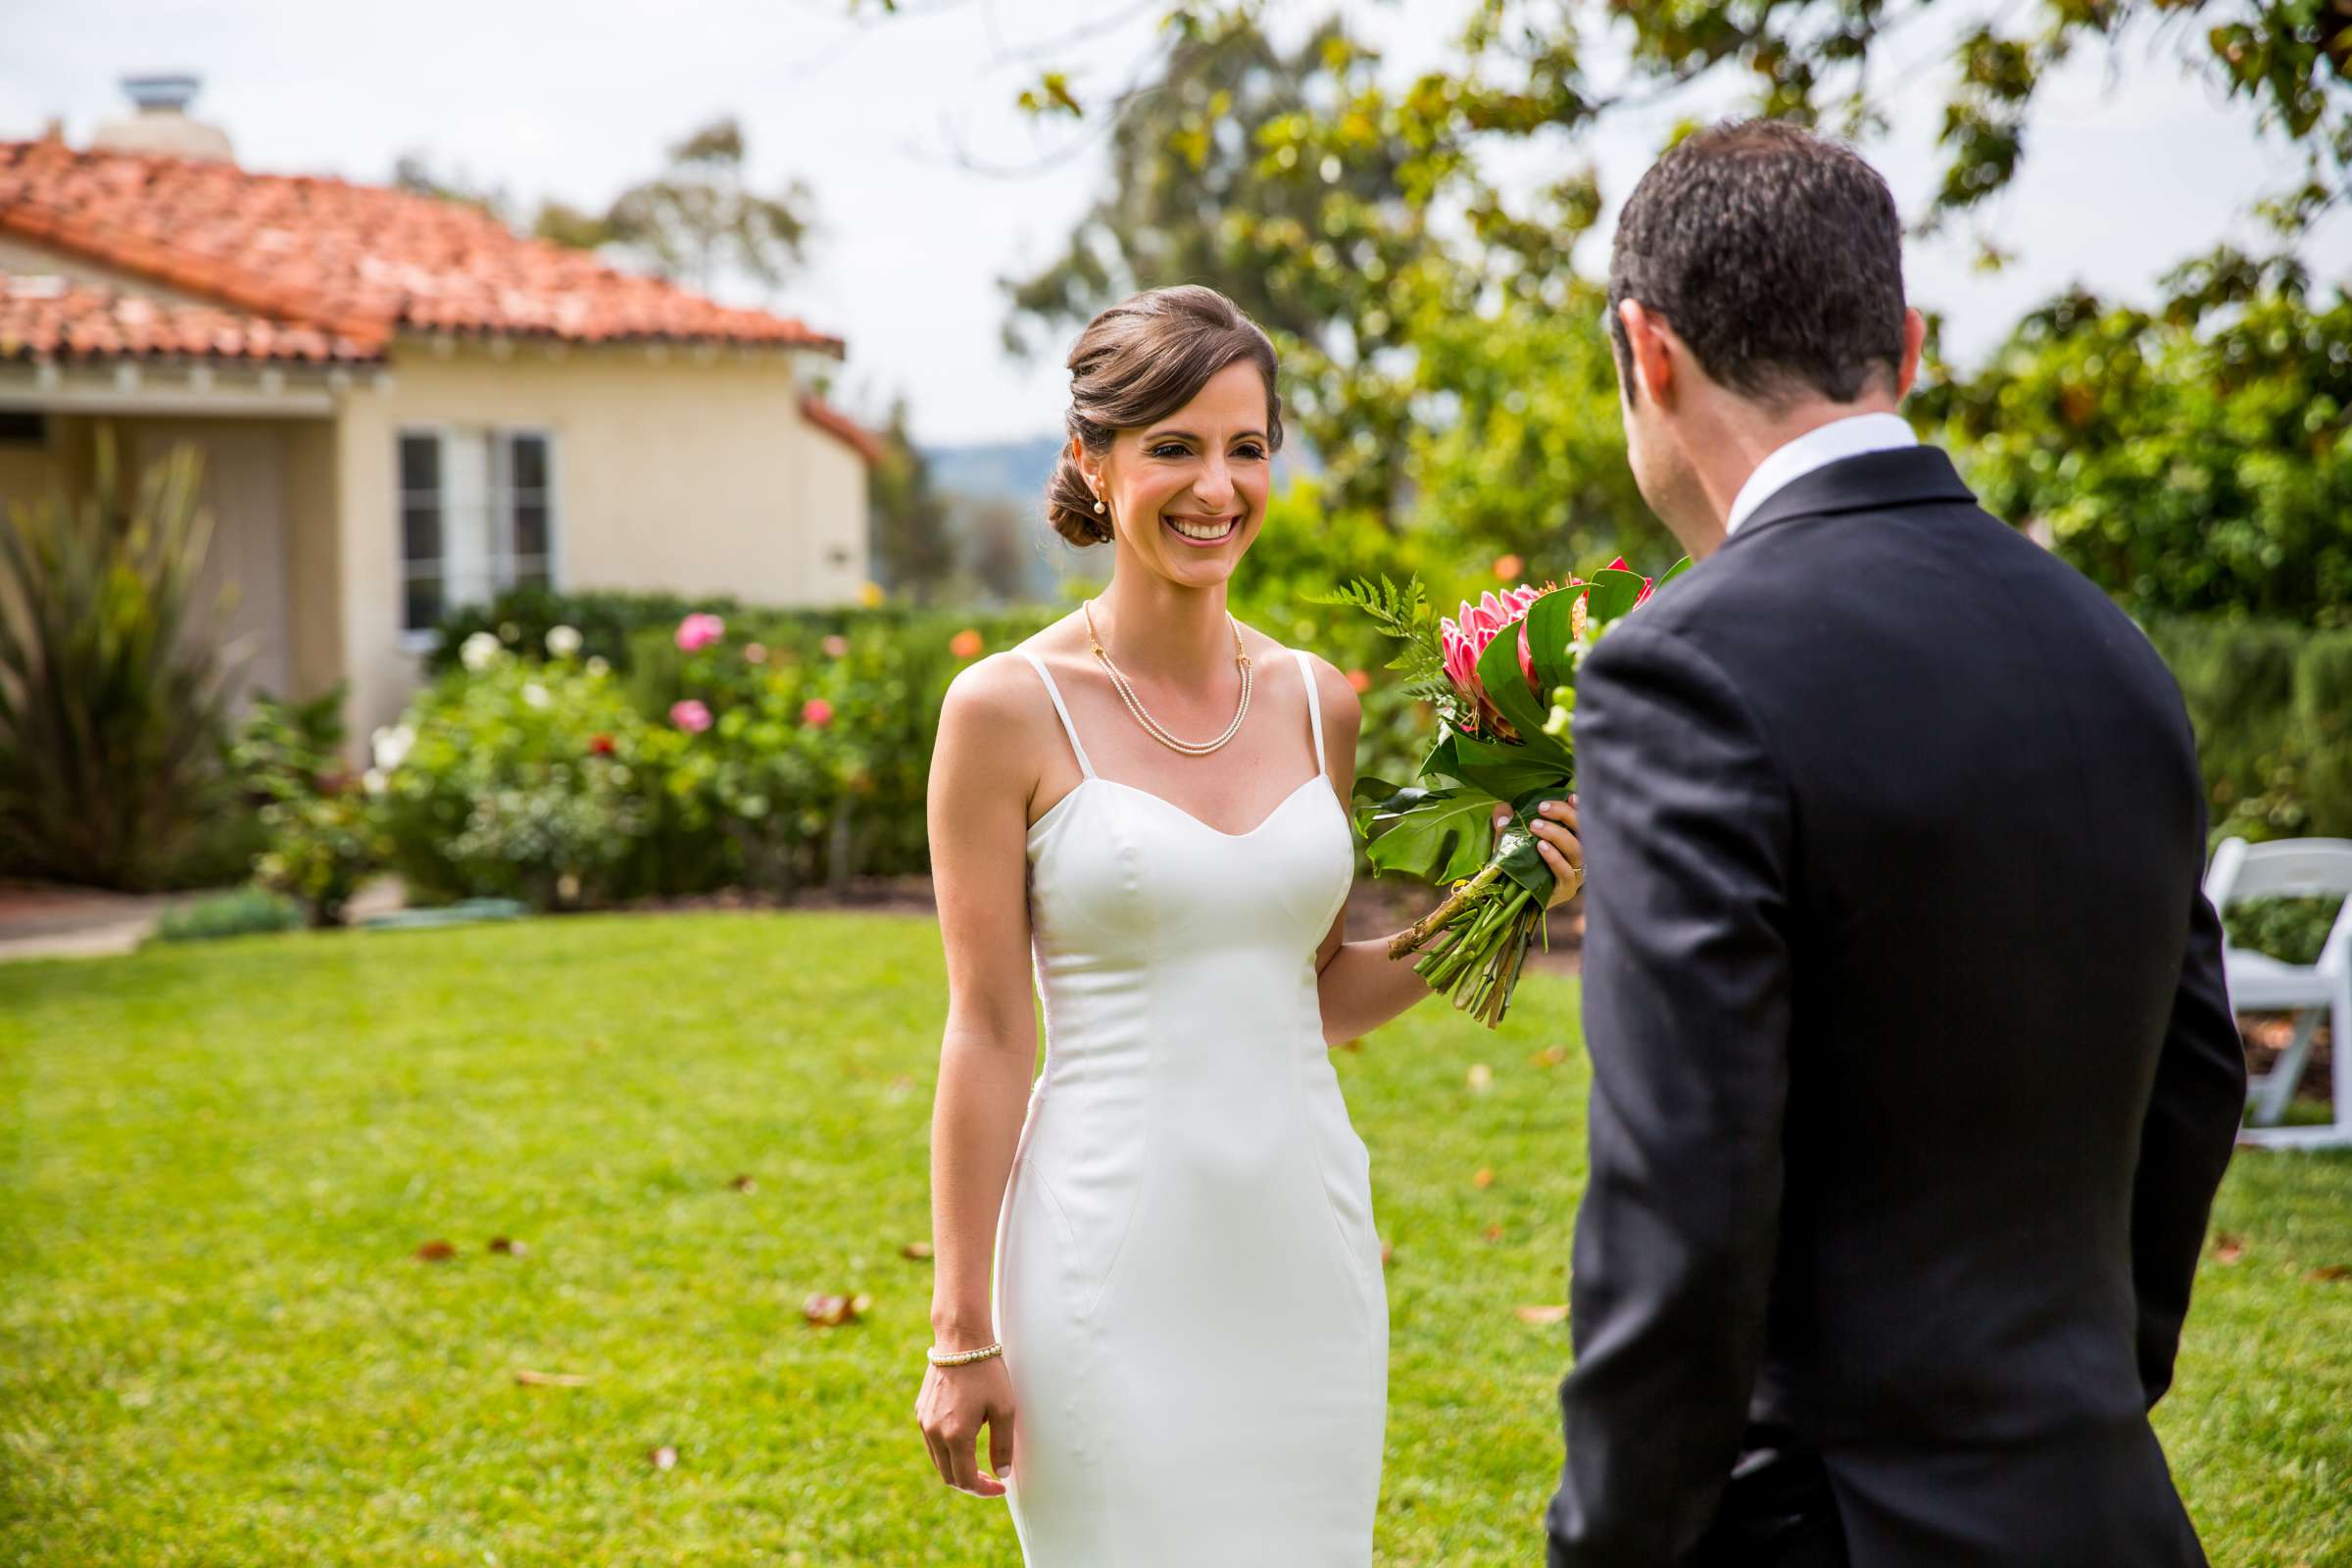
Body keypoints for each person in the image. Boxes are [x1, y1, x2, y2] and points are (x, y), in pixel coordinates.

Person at [1546, 119, 2248, 1567]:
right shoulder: (2106, 646)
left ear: (1647, 353)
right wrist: (2079, 1404)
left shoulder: (1683, 668)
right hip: (2101, 1508)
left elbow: (1680, 1194)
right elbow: (2195, 1078)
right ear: (1906, 346)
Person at [914, 283, 1581, 1565]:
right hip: (1104, 1262)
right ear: (1091, 466)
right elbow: (988, 1035)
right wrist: (962, 1330)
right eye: (1173, 446)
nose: (1216, 487)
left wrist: (1500, 904)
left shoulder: (1316, 703)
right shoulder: (1000, 712)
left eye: (1246, 447)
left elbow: (1314, 990)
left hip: (1302, 1255)